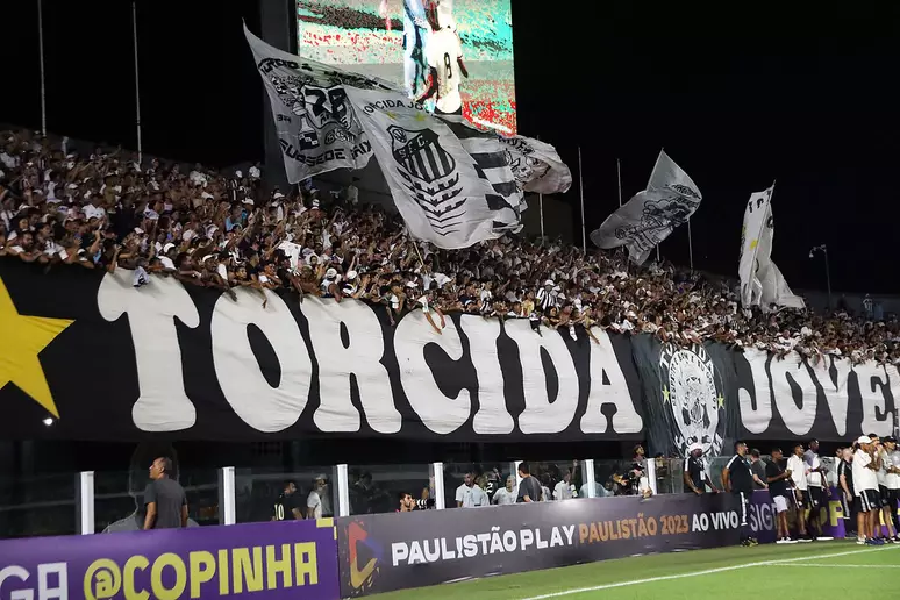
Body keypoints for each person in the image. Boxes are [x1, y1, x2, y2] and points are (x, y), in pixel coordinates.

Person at [722, 441, 765, 546]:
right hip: (740, 492)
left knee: (747, 514)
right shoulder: (735, 459)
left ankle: (747, 537)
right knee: (744, 515)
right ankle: (744, 538)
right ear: (740, 448)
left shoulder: (745, 460)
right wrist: (726, 487)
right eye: (745, 446)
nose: (747, 448)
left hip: (747, 491)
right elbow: (725, 472)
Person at [143, 457, 187, 530]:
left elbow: (152, 513)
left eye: (153, 465)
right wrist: (183, 533)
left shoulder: (152, 487)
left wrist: (144, 533)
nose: (150, 468)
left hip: (158, 536)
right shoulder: (180, 488)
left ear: (161, 469)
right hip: (176, 535)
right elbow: (184, 516)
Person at [852, 435, 882, 545]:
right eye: (868, 444)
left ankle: (870, 536)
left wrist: (878, 456)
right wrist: (873, 455)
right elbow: (872, 466)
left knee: (870, 511)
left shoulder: (867, 454)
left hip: (872, 485)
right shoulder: (858, 455)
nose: (870, 446)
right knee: (864, 511)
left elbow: (877, 467)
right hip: (863, 486)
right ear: (862, 444)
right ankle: (864, 536)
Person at [765, 449, 795, 544]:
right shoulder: (769, 466)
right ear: (774, 454)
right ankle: (786, 535)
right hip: (776, 492)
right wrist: (781, 476)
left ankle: (781, 536)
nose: (781, 455)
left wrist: (786, 476)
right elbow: (768, 480)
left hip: (781, 492)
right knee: (782, 513)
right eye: (779, 453)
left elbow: (782, 476)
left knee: (780, 513)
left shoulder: (780, 465)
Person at [804, 439, 832, 541]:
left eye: (818, 443)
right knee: (814, 507)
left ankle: (814, 528)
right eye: (815, 443)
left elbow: (820, 472)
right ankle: (808, 527)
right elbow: (807, 469)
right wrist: (818, 469)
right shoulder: (807, 455)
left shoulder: (816, 456)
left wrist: (825, 485)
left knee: (818, 508)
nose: (817, 445)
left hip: (817, 484)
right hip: (810, 484)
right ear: (809, 444)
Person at [786, 443, 809, 540]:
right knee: (798, 510)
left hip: (803, 488)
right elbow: (788, 474)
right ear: (795, 449)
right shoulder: (791, 460)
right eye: (800, 448)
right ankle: (800, 533)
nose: (802, 450)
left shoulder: (801, 461)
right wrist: (796, 488)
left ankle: (802, 531)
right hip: (797, 488)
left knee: (803, 510)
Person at [883, 436, 900, 542]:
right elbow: (887, 468)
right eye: (891, 442)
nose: (893, 444)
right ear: (885, 443)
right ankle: (897, 532)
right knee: (892, 511)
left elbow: (894, 469)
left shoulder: (897, 454)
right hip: (889, 486)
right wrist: (894, 469)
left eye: (894, 442)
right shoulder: (882, 454)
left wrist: (894, 469)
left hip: (898, 484)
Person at [837, 447, 856, 537]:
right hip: (845, 491)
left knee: (853, 510)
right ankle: (849, 530)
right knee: (847, 510)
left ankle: (854, 529)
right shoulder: (843, 464)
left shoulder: (851, 464)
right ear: (847, 454)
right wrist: (847, 492)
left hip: (852, 490)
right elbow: (842, 478)